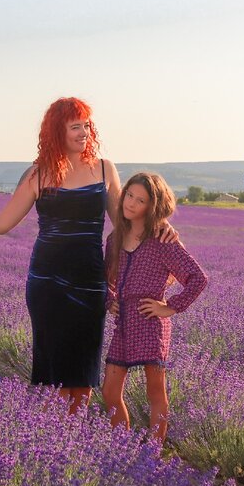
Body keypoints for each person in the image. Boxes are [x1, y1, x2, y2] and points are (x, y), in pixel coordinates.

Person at [0, 97, 175, 415]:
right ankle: (51, 443)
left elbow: (125, 224)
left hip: (89, 282)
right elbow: (2, 223)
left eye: (86, 125)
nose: (84, 133)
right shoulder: (38, 174)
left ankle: (72, 444)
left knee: (83, 374)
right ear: (58, 131)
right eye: (75, 127)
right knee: (52, 375)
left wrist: (161, 229)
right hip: (48, 284)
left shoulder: (103, 169)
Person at [102, 172, 208, 442]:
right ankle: (122, 446)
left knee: (155, 393)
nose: (130, 203)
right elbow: (105, 279)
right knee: (110, 392)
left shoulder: (163, 241)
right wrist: (109, 301)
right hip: (123, 322)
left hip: (151, 323)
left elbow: (198, 278)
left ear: (152, 206)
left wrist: (170, 307)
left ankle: (152, 454)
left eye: (140, 200)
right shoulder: (114, 239)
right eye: (129, 195)